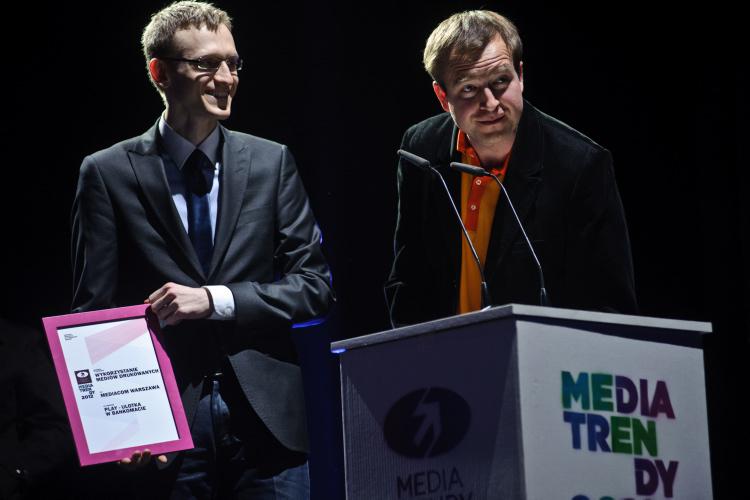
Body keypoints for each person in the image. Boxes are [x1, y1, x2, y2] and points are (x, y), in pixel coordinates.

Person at [71, 1, 333, 497]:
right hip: (165, 425)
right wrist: (116, 428)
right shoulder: (107, 172)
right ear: (160, 73)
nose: (226, 78)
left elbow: (315, 288)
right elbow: (95, 311)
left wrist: (214, 299)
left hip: (268, 425)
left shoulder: (271, 162)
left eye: (233, 63)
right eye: (206, 64)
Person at [385, 10, 637, 327]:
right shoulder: (420, 148)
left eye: (501, 81)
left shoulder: (580, 165)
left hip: (543, 354)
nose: (490, 103)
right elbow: (408, 277)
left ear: (520, 75)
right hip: (444, 354)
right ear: (442, 96)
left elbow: (610, 308)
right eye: (469, 88)